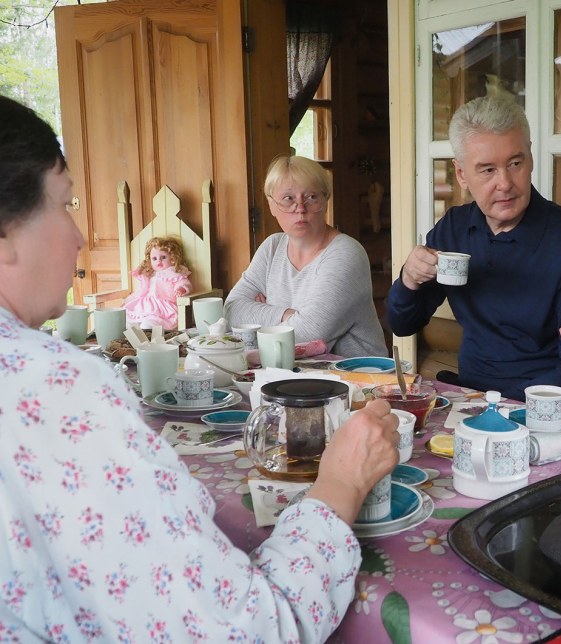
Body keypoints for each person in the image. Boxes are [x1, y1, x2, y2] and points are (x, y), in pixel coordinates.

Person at [0, 94, 399, 641]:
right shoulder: (55, 386)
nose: (76, 236)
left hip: (350, 384)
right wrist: (343, 481)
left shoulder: (346, 251)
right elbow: (248, 628)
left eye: (311, 197)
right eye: (66, 204)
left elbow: (305, 329)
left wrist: (276, 315)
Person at [386, 96, 561, 401]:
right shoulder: (454, 229)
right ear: (462, 174)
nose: (505, 183)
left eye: (515, 163)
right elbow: (403, 324)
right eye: (488, 170)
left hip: (544, 406)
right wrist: (409, 279)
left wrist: (499, 409)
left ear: (530, 158)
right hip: (469, 396)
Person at [224, 155, 387, 357]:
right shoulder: (272, 247)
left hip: (360, 381)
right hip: (295, 376)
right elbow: (231, 311)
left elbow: (306, 334)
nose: (300, 209)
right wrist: (284, 314)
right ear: (271, 205)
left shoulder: (346, 254)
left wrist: (260, 314)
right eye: (288, 198)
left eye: (311, 197)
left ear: (326, 201)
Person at [123, 235, 192, 329]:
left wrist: (182, 289)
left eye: (163, 257)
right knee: (127, 322)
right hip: (144, 307)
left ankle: (148, 339)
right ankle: (130, 339)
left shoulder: (173, 273)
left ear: (172, 259)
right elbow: (139, 292)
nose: (158, 261)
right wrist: (128, 300)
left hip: (162, 309)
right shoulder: (149, 275)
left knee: (148, 325)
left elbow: (183, 282)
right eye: (154, 259)